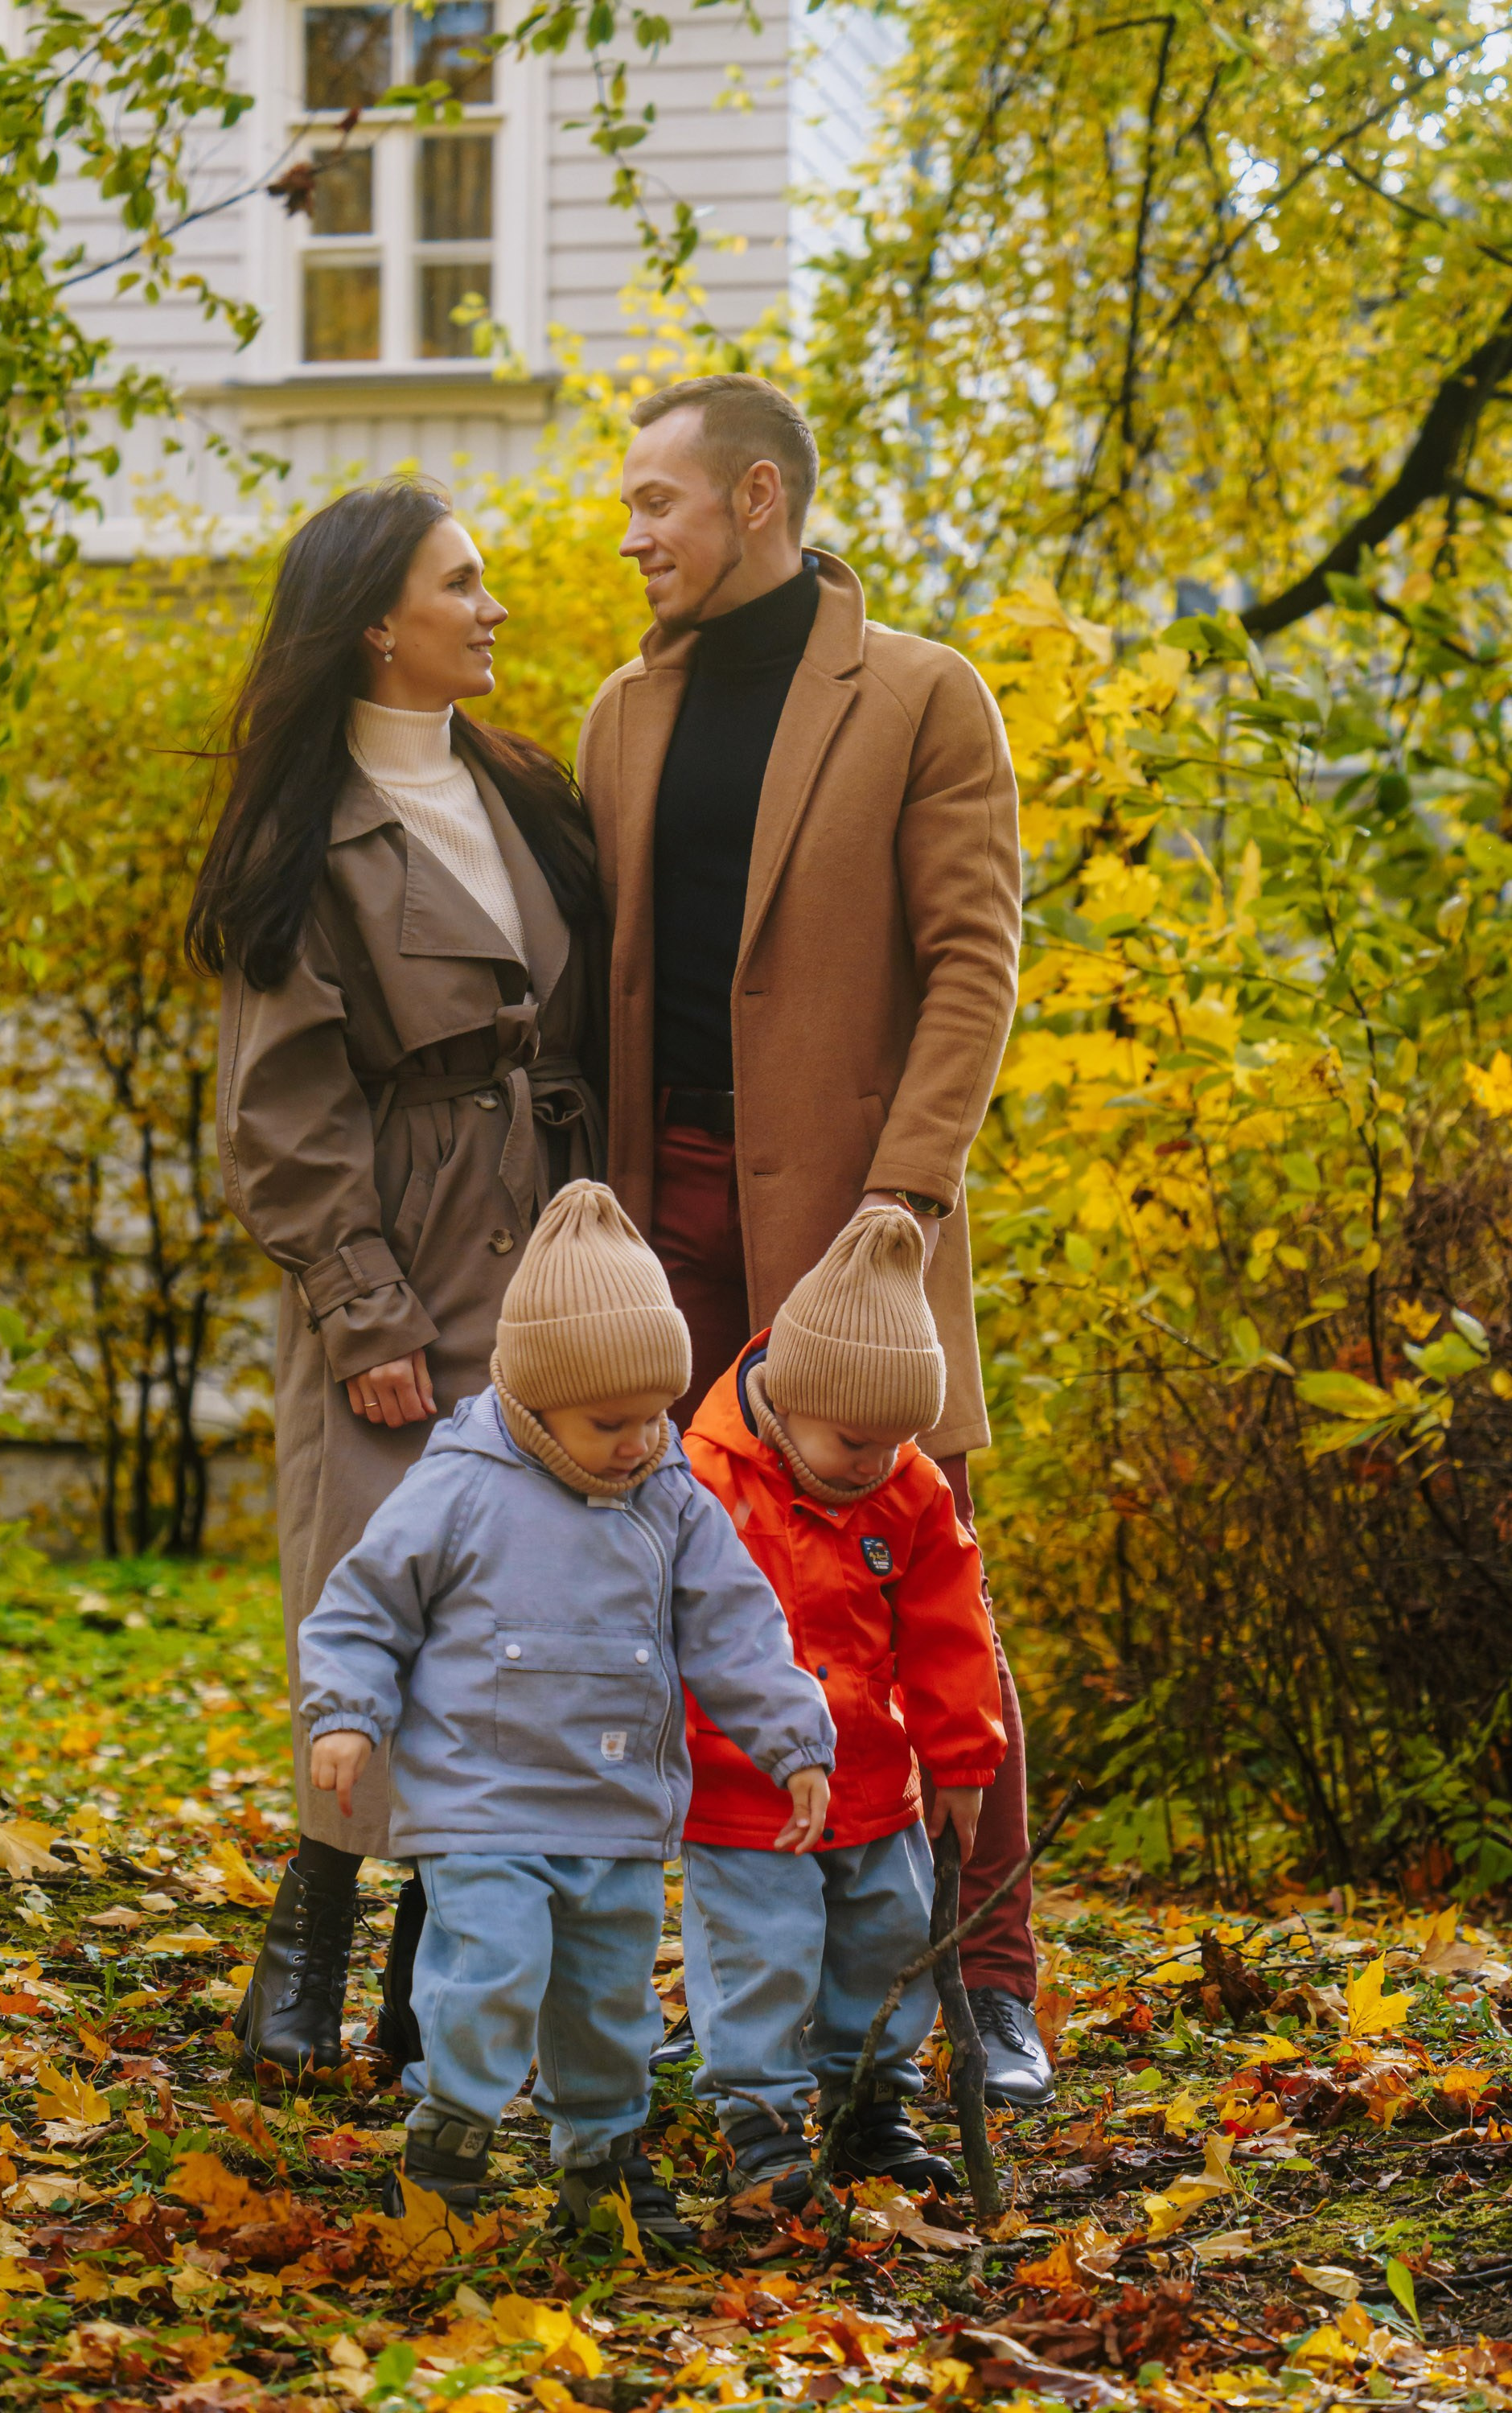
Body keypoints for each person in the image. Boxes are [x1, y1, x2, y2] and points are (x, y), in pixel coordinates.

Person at [577, 373, 1050, 2104]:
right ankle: (724, 1996)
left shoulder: (921, 695)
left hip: (858, 1235)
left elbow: (970, 967)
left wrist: (902, 1205)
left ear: (755, 498)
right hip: (663, 1230)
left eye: (655, 503)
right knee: (669, 1594)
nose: (632, 535)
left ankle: (986, 1983)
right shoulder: (621, 715)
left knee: (923, 1587)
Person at [186, 476, 605, 2075]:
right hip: (400, 1259)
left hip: (550, 1254)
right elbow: (281, 1105)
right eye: (464, 583)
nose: (492, 607)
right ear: (377, 625)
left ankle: (430, 1997)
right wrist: (364, 1310)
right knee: (376, 1609)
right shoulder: (301, 836)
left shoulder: (527, 790)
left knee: (515, 1623)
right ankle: (302, 1954)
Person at [296, 1182, 837, 2247]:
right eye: (610, 1422)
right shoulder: (457, 1489)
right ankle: (449, 2139)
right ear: (536, 1399)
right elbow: (362, 1606)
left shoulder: (671, 1499)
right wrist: (347, 1713)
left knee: (609, 2003)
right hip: (483, 1804)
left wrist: (793, 1739)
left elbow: (737, 1626)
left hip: (613, 1812)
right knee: (490, 1974)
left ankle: (602, 2158)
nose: (641, 1441)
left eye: (656, 1415)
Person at [681, 1205, 1007, 2205]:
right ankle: (765, 2133)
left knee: (887, 1943)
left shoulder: (903, 1490)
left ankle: (871, 2105)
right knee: (763, 1960)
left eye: (896, 1442)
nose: (875, 1461)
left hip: (876, 1783)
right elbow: (666, 1637)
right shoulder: (700, 1486)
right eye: (854, 1440)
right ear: (786, 1397)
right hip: (749, 1796)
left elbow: (950, 1630)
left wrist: (959, 1760)